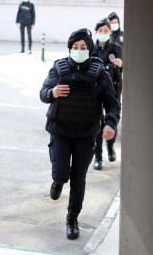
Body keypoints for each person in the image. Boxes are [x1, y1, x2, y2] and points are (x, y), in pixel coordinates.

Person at [40, 28, 120, 240]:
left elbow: (112, 103)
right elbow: (43, 93)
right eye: (75, 47)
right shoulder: (58, 68)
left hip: (86, 133)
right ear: (69, 48)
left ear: (89, 49)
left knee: (78, 178)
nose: (79, 50)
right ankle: (58, 181)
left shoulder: (99, 72)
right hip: (60, 130)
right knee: (61, 173)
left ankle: (72, 219)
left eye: (83, 47)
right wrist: (52, 92)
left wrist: (110, 124)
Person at [92, 19, 124, 169]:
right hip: (96, 90)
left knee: (112, 118)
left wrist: (121, 65)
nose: (103, 33)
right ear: (96, 32)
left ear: (110, 32)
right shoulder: (91, 48)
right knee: (97, 122)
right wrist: (109, 67)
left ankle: (110, 147)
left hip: (114, 89)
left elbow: (124, 67)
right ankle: (98, 156)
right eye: (100, 30)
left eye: (106, 31)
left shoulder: (116, 48)